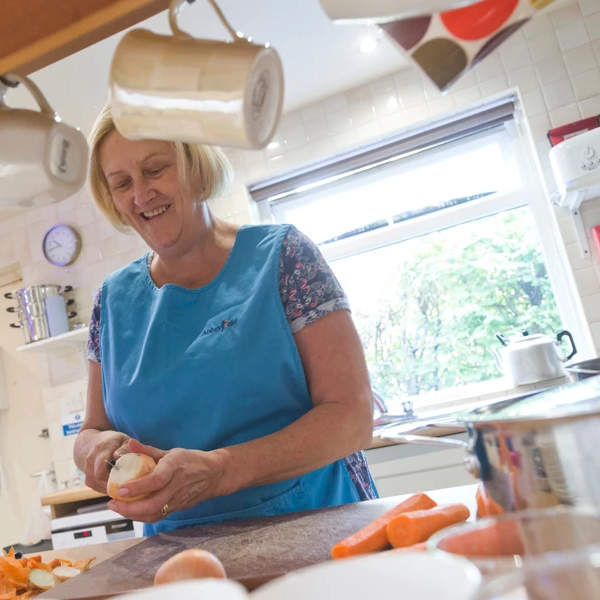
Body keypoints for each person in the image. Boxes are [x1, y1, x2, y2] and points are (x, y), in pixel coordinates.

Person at [73, 105, 377, 535]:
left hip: (320, 529)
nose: (141, 196)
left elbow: (352, 417)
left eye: (155, 170)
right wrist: (94, 449)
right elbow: (92, 428)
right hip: (180, 554)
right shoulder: (111, 301)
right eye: (122, 184)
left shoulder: (283, 257)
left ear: (194, 165)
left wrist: (219, 470)